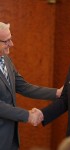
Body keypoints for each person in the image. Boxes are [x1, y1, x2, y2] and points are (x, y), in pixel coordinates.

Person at [0, 22, 63, 150]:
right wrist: (27, 115)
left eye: (11, 39)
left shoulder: (6, 60)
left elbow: (24, 87)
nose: (11, 44)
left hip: (10, 137)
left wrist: (56, 93)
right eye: (6, 41)